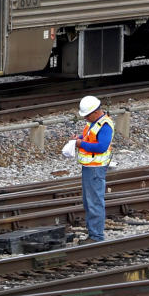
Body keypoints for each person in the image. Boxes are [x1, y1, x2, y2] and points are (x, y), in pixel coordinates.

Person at [63, 95, 114, 243]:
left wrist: (80, 144)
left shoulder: (104, 125)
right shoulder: (95, 123)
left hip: (95, 168)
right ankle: (93, 234)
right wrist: (78, 138)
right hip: (90, 167)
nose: (85, 118)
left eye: (87, 116)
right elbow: (88, 137)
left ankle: (96, 236)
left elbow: (101, 146)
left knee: (94, 202)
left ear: (95, 112)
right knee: (89, 201)